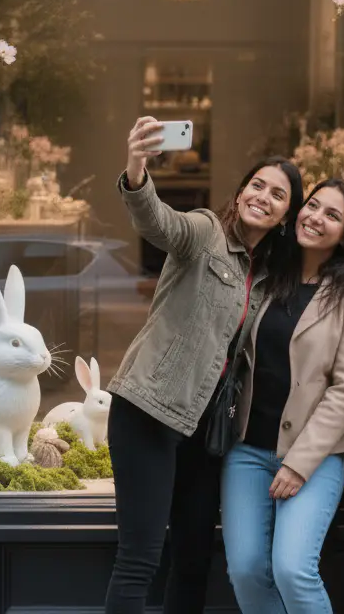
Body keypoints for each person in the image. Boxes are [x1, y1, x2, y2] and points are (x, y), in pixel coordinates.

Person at [106, 116, 304, 614]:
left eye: (278, 194)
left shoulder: (270, 278)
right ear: (239, 195)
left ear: (286, 215)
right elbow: (156, 220)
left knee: (194, 559)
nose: (264, 196)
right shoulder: (205, 233)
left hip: (204, 430)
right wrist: (136, 167)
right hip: (149, 409)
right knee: (140, 559)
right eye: (257, 185)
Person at [221, 178, 344, 614]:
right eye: (313, 206)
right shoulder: (268, 276)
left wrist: (298, 463)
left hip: (316, 454)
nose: (316, 218)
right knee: (247, 569)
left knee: (293, 569)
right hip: (247, 448)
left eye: (333, 215)